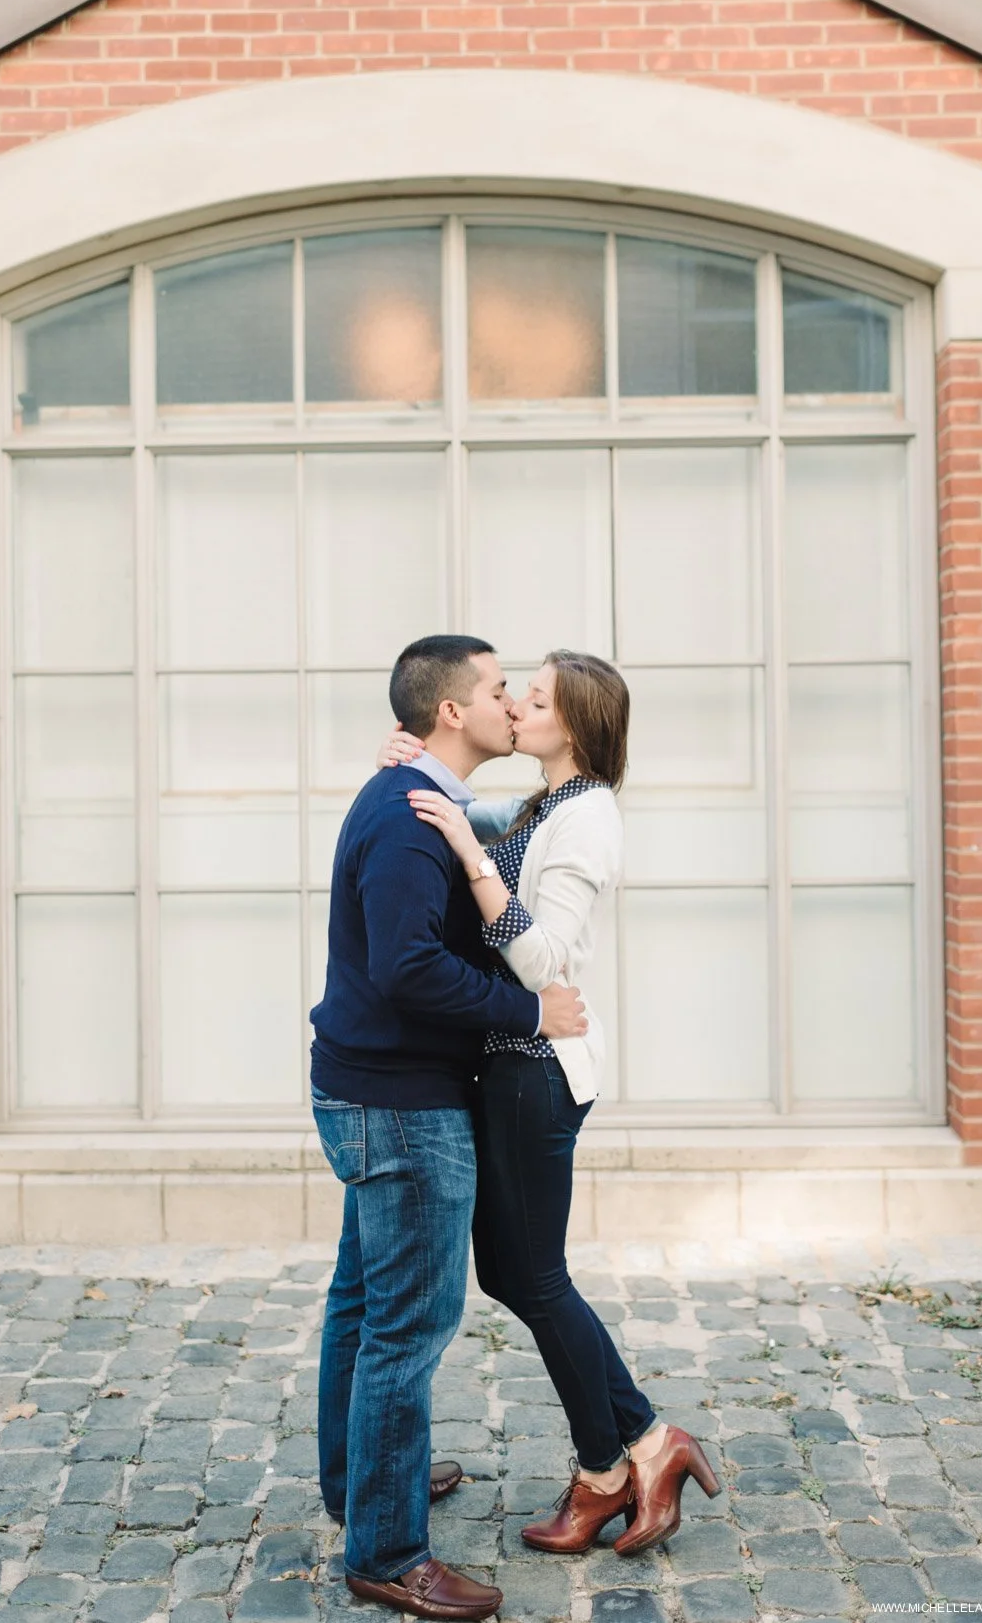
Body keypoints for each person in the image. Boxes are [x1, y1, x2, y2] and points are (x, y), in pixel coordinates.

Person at [381, 650, 720, 1554]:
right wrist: (415, 767)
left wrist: (460, 848)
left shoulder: (589, 818)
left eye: (534, 700)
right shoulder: (548, 805)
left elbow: (544, 962)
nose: (517, 707)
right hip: (506, 1065)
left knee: (534, 1276)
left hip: (538, 1068)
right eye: (516, 694)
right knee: (509, 1272)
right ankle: (645, 1443)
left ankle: (611, 1466)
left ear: (572, 724)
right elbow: (471, 810)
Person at [309, 634, 591, 1622]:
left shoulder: (426, 800)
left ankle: (362, 1483)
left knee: (364, 1301)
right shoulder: (404, 818)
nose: (512, 700)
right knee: (406, 1325)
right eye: (498, 688)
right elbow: (406, 969)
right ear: (449, 714)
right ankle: (387, 1554)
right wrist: (531, 1012)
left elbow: (490, 853)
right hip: (399, 1107)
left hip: (380, 1092)